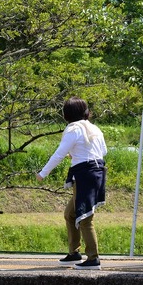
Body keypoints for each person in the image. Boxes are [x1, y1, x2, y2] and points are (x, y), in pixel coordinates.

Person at [36, 96, 107, 270]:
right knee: (71, 214)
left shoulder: (73, 129)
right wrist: (79, 153)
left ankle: (93, 258)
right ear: (86, 113)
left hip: (85, 174)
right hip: (96, 172)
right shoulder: (95, 128)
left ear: (66, 115)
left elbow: (59, 154)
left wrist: (43, 173)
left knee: (85, 218)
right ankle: (74, 252)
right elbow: (103, 151)